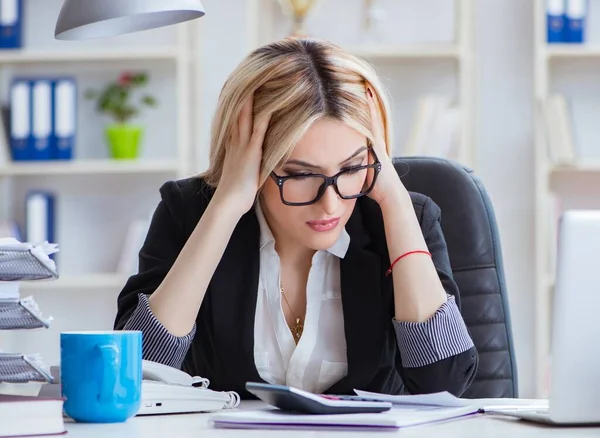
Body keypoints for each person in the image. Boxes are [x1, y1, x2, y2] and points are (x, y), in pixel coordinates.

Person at [114, 37, 478, 398]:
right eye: (301, 175)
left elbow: (442, 386)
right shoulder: (189, 214)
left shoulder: (402, 221)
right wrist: (225, 207)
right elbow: (136, 377)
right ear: (253, 161)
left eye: (351, 167)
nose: (331, 205)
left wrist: (395, 200)